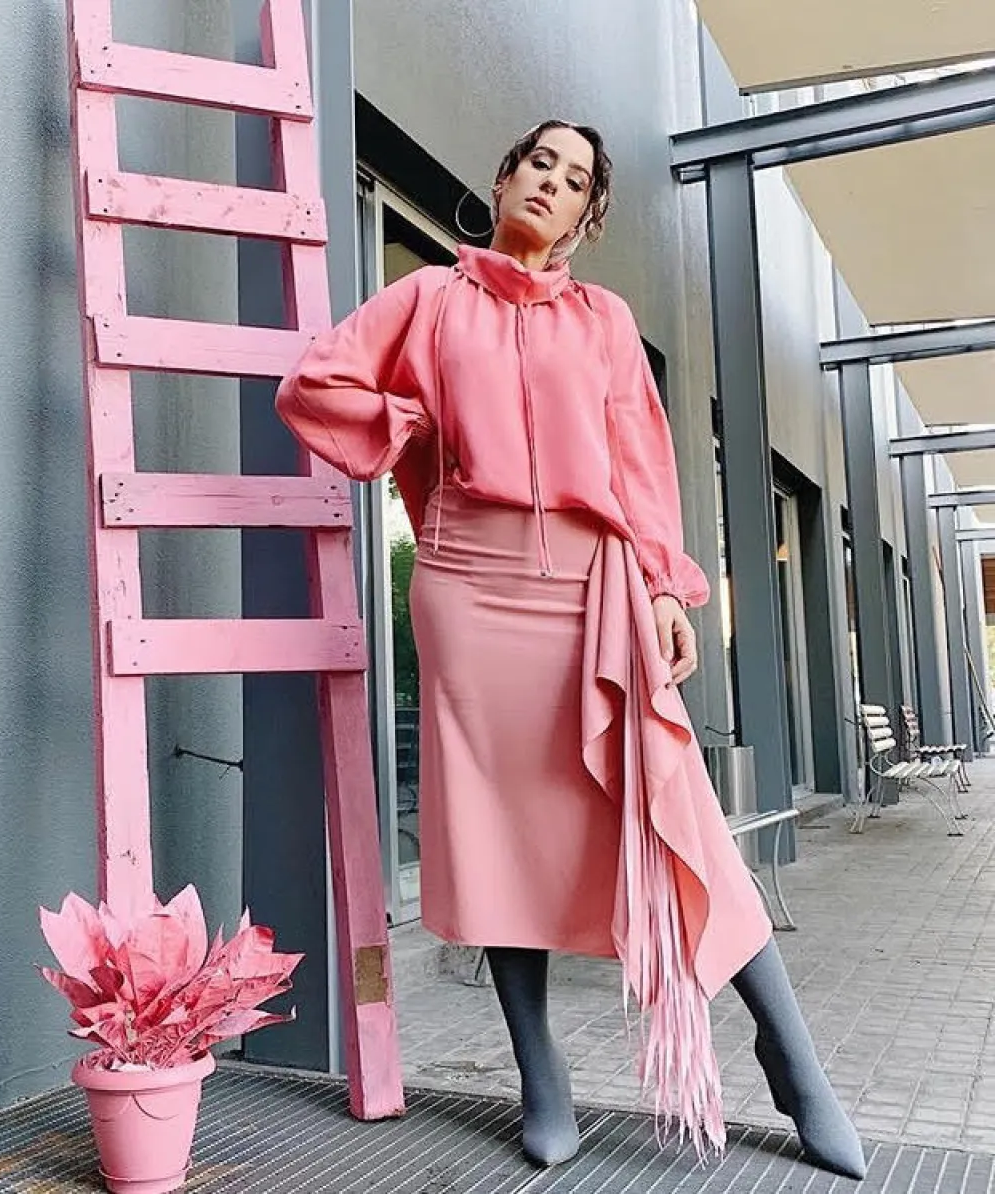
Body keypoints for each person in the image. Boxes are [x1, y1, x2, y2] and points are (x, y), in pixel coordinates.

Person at [276, 120, 865, 1180]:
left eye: (575, 179)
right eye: (539, 163)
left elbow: (641, 465)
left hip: (595, 588)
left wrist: (667, 587)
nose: (551, 182)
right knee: (503, 832)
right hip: (469, 591)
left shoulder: (603, 320)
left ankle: (792, 1059)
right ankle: (540, 1072)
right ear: (505, 178)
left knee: (680, 813)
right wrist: (411, 421)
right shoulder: (428, 300)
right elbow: (314, 385)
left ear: (585, 221)